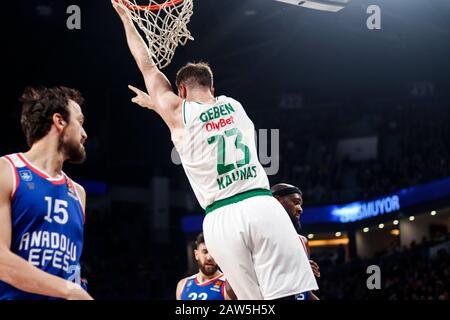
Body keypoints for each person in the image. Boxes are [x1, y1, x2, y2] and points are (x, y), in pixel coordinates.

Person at [112, 2, 318, 300]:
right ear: (212, 85)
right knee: (295, 295)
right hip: (261, 204)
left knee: (251, 303)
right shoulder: (234, 105)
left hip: (220, 217)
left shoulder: (176, 110)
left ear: (180, 91)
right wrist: (158, 106)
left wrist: (126, 18)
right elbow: (205, 120)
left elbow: (148, 66)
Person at [0, 86, 92, 300]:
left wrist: (75, 286)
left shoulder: (78, 193)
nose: (85, 134)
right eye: (80, 122)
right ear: (59, 121)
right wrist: (69, 290)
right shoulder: (7, 170)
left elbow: (69, 270)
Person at [271, 183, 321, 300]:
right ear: (277, 202)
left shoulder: (303, 241)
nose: (300, 209)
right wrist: (296, 268)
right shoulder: (259, 238)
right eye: (296, 202)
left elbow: (304, 293)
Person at [176, 233, 236, 300]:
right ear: (196, 254)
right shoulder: (182, 285)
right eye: (205, 252)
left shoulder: (229, 285)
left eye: (213, 252)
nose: (209, 258)